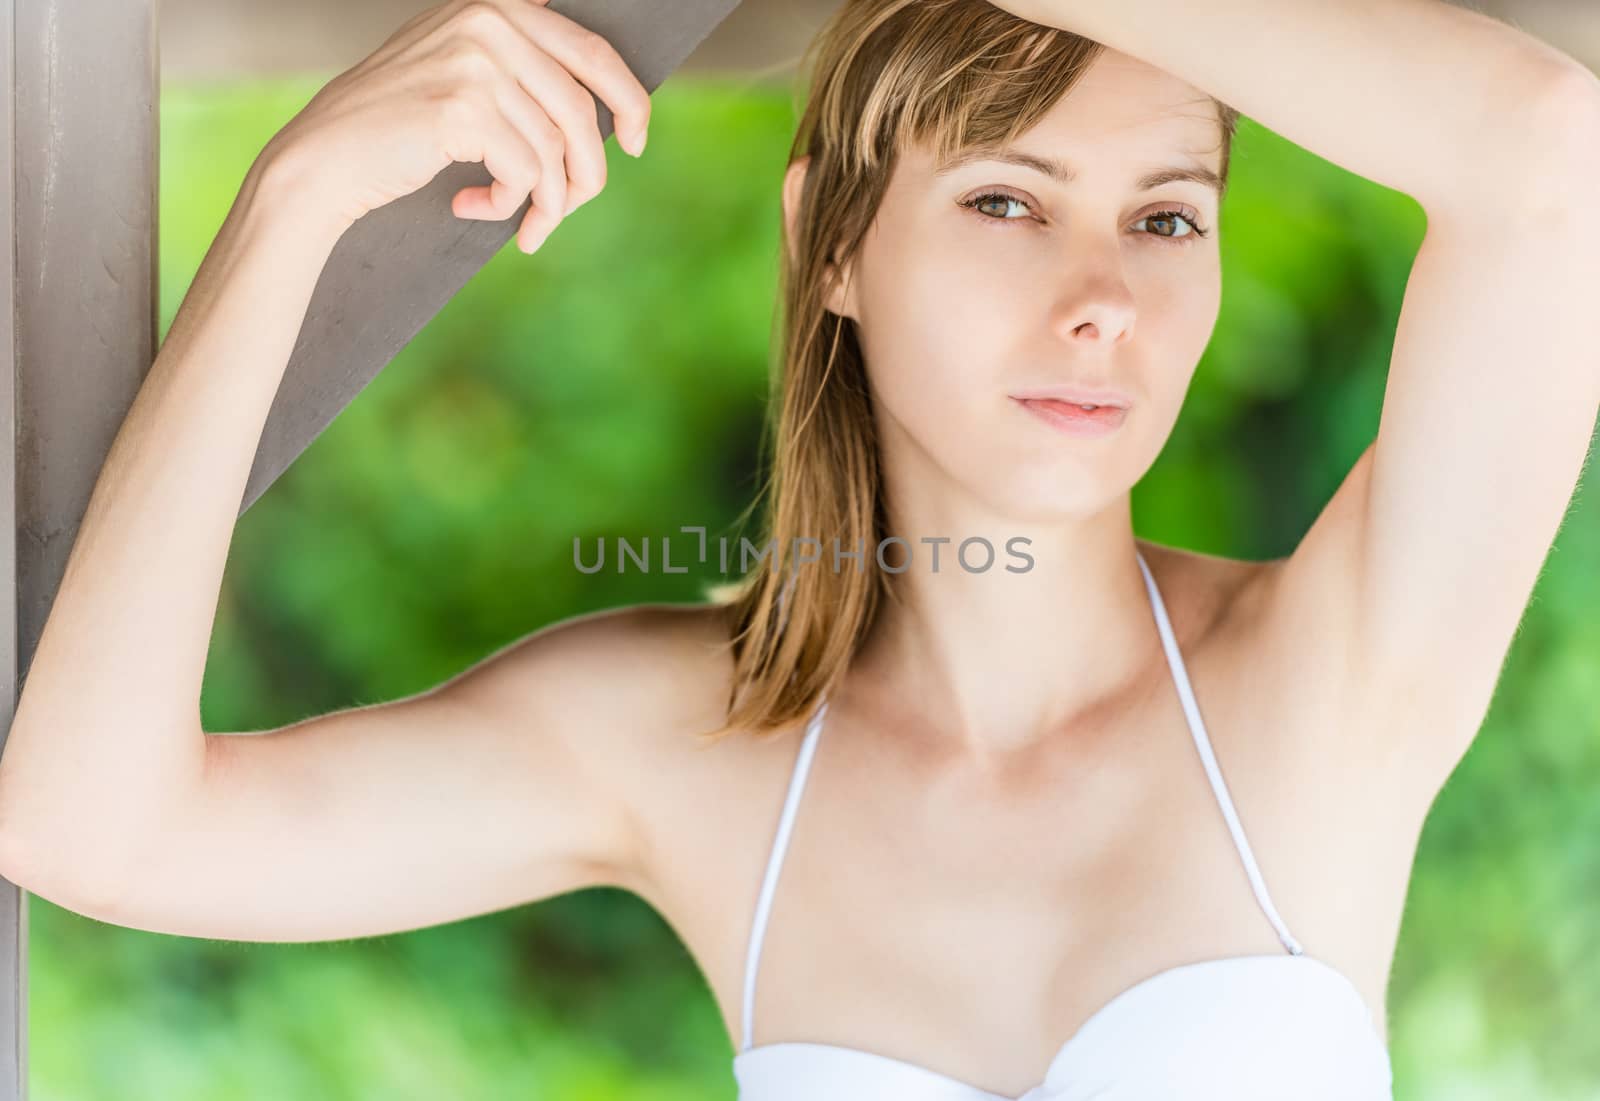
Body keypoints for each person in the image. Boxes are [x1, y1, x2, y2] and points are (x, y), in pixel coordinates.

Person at [1, 0, 1596, 1097]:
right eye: (1004, 198)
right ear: (830, 240)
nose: (1103, 294)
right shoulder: (690, 755)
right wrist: (299, 195)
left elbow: (1553, 159)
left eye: (1167, 217)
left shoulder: (1329, 690)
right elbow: (92, 827)